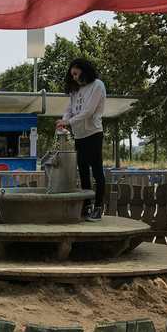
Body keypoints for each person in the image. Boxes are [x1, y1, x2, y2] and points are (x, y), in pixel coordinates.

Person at [56, 58, 106, 221]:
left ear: (84, 70)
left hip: (93, 133)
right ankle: (86, 206)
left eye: (76, 74)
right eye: (72, 75)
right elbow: (69, 109)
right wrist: (63, 121)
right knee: (83, 172)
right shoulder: (75, 90)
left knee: (97, 171)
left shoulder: (97, 85)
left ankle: (98, 207)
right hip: (79, 135)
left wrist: (68, 122)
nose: (75, 78)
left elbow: (89, 111)